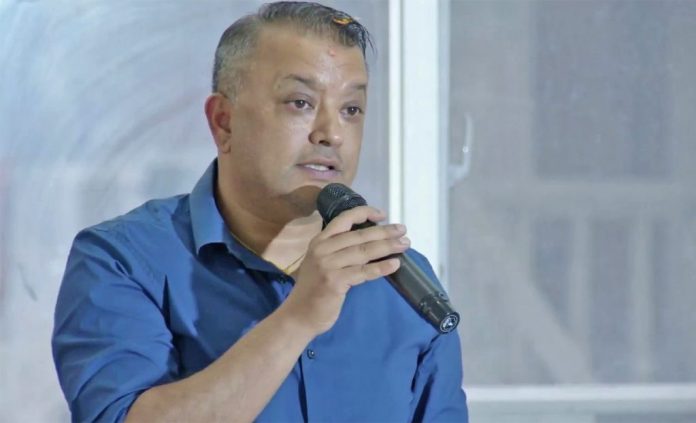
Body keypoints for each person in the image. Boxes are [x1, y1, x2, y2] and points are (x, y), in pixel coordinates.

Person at [51, 2, 469, 422]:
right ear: (224, 122)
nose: (332, 134)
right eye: (300, 102)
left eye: (351, 109)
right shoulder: (121, 261)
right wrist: (298, 318)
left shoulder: (402, 281)